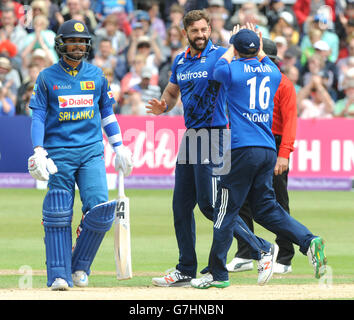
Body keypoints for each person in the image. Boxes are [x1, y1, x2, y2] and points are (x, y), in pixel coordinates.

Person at [190, 24, 327, 289]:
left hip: (243, 149)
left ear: (237, 49)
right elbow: (261, 58)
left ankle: (217, 274)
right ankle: (309, 241)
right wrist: (254, 45)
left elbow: (219, 68)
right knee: (266, 209)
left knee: (224, 211)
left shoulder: (231, 69)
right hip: (267, 150)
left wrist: (232, 45)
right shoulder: (274, 73)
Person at [147, 10, 277, 288]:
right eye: (195, 31)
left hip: (215, 135)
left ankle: (262, 248)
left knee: (211, 205)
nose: (201, 35)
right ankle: (186, 268)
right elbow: (172, 92)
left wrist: (248, 41)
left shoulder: (221, 55)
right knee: (180, 207)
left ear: (210, 30)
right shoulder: (180, 61)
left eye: (205, 29)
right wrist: (164, 105)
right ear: (186, 33)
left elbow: (247, 63)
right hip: (191, 136)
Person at [27, 19, 133, 291]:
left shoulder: (96, 75)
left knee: (100, 211)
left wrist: (118, 146)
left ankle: (80, 267)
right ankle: (59, 275)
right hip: (58, 153)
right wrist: (38, 149)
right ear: (61, 44)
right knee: (58, 212)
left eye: (82, 41)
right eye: (73, 41)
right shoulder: (47, 77)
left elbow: (106, 113)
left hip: (91, 152)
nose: (78, 45)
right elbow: (38, 114)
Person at [226, 38, 297, 275]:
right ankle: (246, 252)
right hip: (250, 141)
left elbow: (290, 122)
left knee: (278, 201)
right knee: (242, 199)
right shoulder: (247, 78)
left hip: (273, 144)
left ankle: (285, 257)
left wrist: (284, 154)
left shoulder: (283, 84)